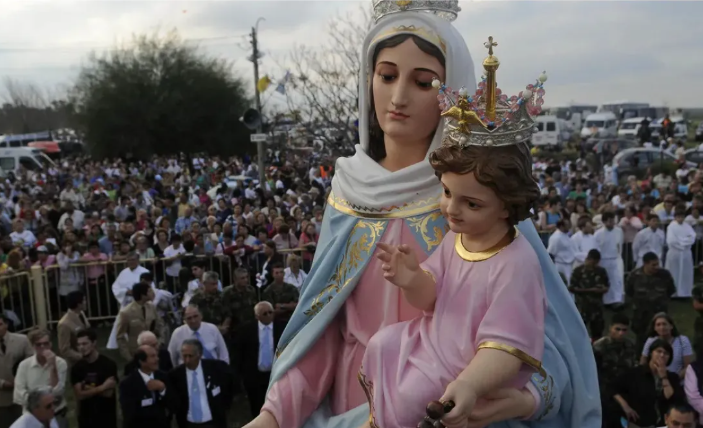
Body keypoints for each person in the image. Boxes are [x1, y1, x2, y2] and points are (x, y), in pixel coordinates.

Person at [248, 2, 600, 428]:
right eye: (387, 75)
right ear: (369, 80)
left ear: (451, 90)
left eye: (423, 82)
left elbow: (544, 338)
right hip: (353, 400)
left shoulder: (477, 202)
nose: (398, 98)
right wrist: (273, 416)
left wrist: (523, 399)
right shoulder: (347, 194)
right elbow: (321, 333)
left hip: (443, 406)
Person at [359, 44, 549, 425]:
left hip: (467, 364)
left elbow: (507, 346)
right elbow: (432, 296)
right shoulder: (456, 238)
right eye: (446, 194)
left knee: (413, 398)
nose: (450, 210)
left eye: (471, 204)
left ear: (507, 206)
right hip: (430, 340)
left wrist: (471, 384)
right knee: (381, 345)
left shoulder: (516, 263)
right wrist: (412, 279)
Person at [614, 339, 684, 428]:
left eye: (666, 353)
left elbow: (669, 397)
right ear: (651, 353)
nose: (662, 355)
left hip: (663, 424)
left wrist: (663, 376)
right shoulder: (636, 373)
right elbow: (613, 388)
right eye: (659, 351)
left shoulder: (673, 377)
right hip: (639, 423)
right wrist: (625, 406)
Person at [167, 338, 235, 428]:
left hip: (213, 422)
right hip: (188, 423)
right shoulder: (175, 375)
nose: (187, 360)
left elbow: (230, 385)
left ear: (199, 354)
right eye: (184, 356)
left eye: (190, 356)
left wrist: (225, 405)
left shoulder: (216, 368)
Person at [234, 302, 286, 418]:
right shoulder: (246, 330)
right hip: (254, 376)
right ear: (257, 316)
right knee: (257, 406)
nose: (268, 315)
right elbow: (239, 353)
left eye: (270, 312)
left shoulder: (283, 327)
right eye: (264, 313)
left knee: (277, 405)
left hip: (276, 374)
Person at [13, 329, 69, 428]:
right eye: (38, 344)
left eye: (46, 343)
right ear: (33, 346)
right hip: (33, 416)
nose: (43, 347)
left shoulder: (60, 363)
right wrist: (39, 405)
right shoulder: (24, 365)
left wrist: (53, 367)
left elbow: (58, 392)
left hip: (56, 413)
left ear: (51, 344)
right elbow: (19, 393)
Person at [71, 329, 118, 428]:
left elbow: (108, 393)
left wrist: (87, 388)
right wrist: (103, 387)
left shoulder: (109, 364)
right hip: (86, 420)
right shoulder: (77, 368)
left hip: (106, 419)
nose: (81, 347)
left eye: (85, 344)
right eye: (79, 345)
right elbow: (80, 395)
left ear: (94, 343)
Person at [118, 345, 170, 428]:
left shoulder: (164, 377)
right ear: (142, 361)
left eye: (156, 355)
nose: (157, 359)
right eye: (153, 356)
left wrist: (162, 389)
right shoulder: (127, 384)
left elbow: (174, 405)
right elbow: (129, 415)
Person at [116, 282, 166, 362]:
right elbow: (120, 337)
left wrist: (160, 342)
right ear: (143, 295)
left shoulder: (151, 307)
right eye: (149, 291)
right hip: (136, 354)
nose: (152, 293)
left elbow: (160, 325)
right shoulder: (126, 312)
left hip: (154, 351)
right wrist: (128, 357)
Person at [57, 290, 90, 367]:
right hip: (74, 363)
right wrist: (82, 356)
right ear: (78, 304)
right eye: (84, 300)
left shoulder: (81, 314)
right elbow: (64, 349)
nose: (86, 302)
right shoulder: (64, 324)